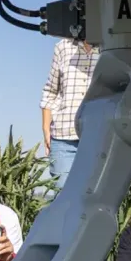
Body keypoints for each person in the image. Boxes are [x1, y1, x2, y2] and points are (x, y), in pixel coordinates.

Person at [40, 36, 100, 188]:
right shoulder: (63, 47)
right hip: (63, 139)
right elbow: (51, 90)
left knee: (95, 198)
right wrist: (46, 128)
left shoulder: (112, 49)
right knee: (63, 197)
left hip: (100, 139)